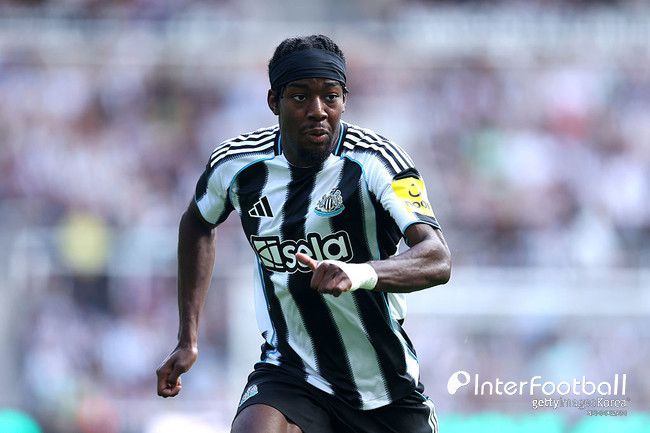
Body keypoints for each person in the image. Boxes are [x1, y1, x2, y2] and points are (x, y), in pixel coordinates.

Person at [156, 34, 451, 433]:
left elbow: (437, 258)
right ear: (273, 101)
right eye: (300, 97)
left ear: (344, 100)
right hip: (291, 372)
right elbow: (197, 223)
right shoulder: (238, 165)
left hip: (384, 386)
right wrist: (187, 338)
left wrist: (358, 273)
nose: (317, 111)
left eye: (330, 97)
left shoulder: (376, 161)